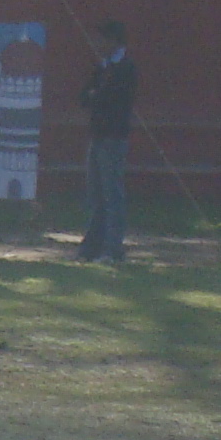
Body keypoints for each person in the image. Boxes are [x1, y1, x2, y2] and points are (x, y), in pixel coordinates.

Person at [78, 21, 138, 263]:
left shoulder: (125, 67)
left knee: (111, 194)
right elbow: (84, 96)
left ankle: (112, 248)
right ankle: (92, 246)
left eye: (101, 39)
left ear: (113, 40)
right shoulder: (104, 67)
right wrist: (94, 95)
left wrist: (95, 95)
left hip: (113, 136)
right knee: (96, 194)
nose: (97, 44)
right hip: (98, 134)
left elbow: (109, 98)